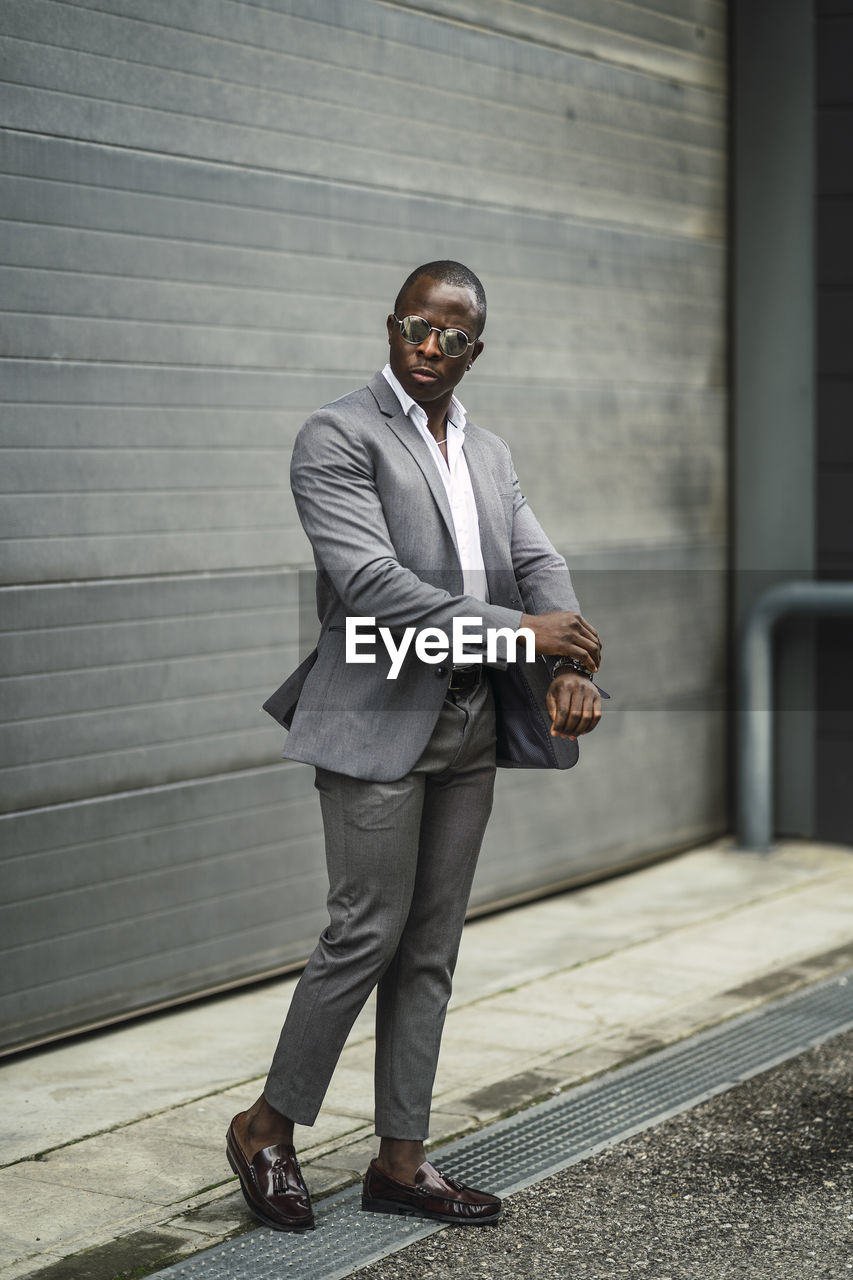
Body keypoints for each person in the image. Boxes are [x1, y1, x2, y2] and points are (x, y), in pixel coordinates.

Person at [226, 261, 603, 1231]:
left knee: (430, 943)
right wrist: (528, 636)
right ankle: (267, 1125)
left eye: (453, 338)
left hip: (469, 717)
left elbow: (537, 559)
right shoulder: (338, 436)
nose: (430, 350)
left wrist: (569, 662)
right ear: (390, 325)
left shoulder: (487, 448)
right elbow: (373, 586)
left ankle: (401, 1157)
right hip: (375, 712)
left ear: (477, 347)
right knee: (364, 930)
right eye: (416, 329)